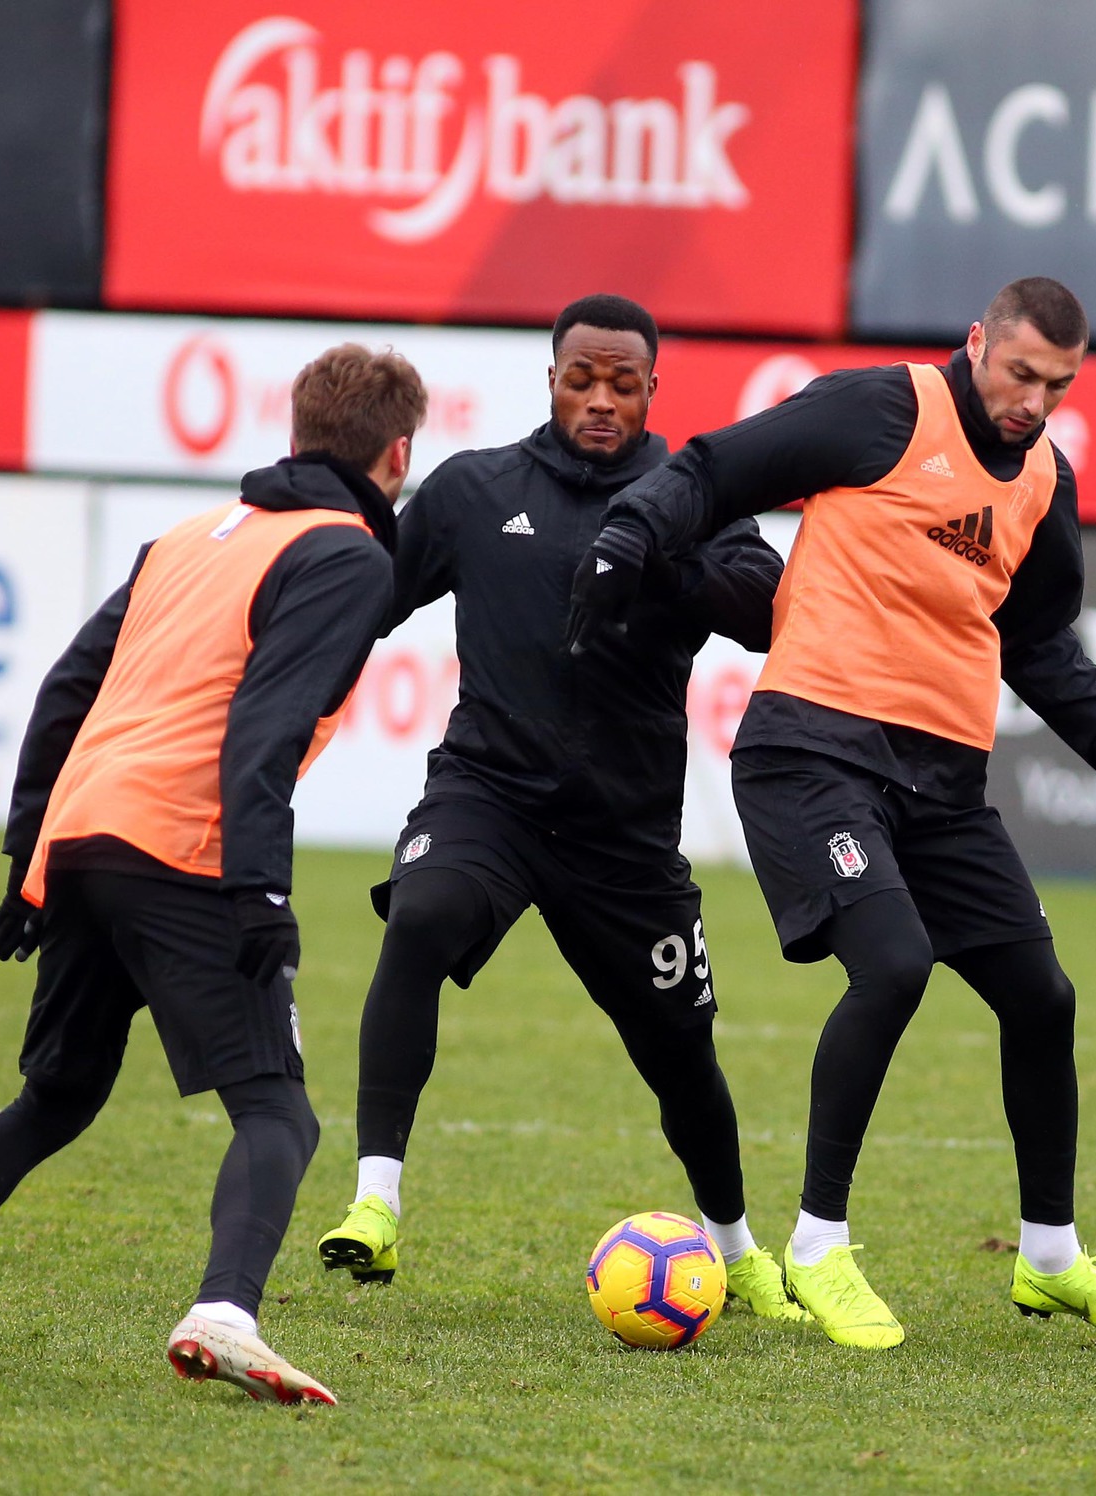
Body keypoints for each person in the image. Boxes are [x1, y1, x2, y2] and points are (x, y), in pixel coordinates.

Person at [567, 276, 1096, 1350]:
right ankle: (818, 1244)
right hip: (811, 751)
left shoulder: (1043, 478)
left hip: (941, 784)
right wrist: (628, 535)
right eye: (1020, 373)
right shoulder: (880, 409)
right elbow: (716, 469)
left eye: (1057, 385)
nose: (1033, 401)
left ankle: (1050, 1257)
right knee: (895, 963)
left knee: (1041, 996)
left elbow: (1035, 641)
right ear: (977, 344)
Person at [0, 345, 427, 1404]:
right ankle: (226, 1313)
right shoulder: (346, 554)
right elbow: (265, 727)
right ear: (398, 454)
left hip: (87, 837)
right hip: (180, 850)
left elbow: (65, 691)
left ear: (296, 434)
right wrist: (260, 892)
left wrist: (29, 858)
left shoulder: (184, 538)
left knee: (53, 1099)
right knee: (278, 1112)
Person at [312, 296, 804, 1323]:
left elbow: (767, 607)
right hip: (487, 795)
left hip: (623, 836)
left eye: (622, 382)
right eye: (582, 378)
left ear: (653, 389)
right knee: (421, 915)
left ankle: (734, 1246)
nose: (600, 399)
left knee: (681, 1056)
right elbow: (366, 598)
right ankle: (375, 1200)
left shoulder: (695, 496)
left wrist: (658, 557)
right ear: (551, 380)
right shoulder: (474, 489)